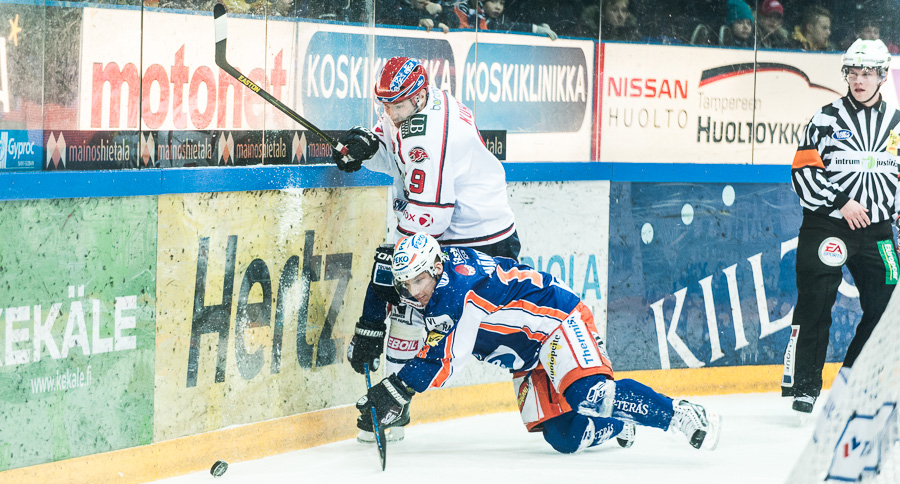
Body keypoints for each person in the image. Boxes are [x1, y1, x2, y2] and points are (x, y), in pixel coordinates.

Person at [356, 233, 722, 453]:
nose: (413, 292)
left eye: (419, 281)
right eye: (406, 284)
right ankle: (621, 423)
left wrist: (397, 389)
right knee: (563, 438)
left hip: (557, 321)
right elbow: (382, 281)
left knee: (592, 395)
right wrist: (369, 326)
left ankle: (680, 414)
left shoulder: (458, 290)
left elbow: (448, 359)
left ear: (436, 267)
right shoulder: (426, 274)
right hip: (527, 354)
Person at [333, 57, 521, 442]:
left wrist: (372, 313)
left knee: (497, 335)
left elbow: (429, 218)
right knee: (409, 306)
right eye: (384, 106)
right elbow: (395, 146)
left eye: (396, 106)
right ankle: (394, 408)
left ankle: (577, 381)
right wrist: (369, 144)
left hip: (480, 240)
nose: (390, 113)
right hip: (457, 230)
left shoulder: (429, 133)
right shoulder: (413, 105)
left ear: (418, 96)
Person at [782, 39, 900, 413]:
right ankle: (804, 387)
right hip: (827, 226)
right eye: (853, 72)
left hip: (878, 230)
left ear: (882, 76)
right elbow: (803, 170)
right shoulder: (825, 119)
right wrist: (840, 202)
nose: (859, 79)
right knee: (816, 302)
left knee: (889, 309)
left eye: (867, 73)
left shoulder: (897, 123)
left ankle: (853, 379)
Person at [454, 0, 558, 40]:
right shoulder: (470, 12)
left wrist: (538, 28)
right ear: (482, 2)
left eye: (501, 3)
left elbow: (510, 25)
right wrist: (535, 29)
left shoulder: (502, 18)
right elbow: (500, 27)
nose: (498, 7)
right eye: (493, 2)